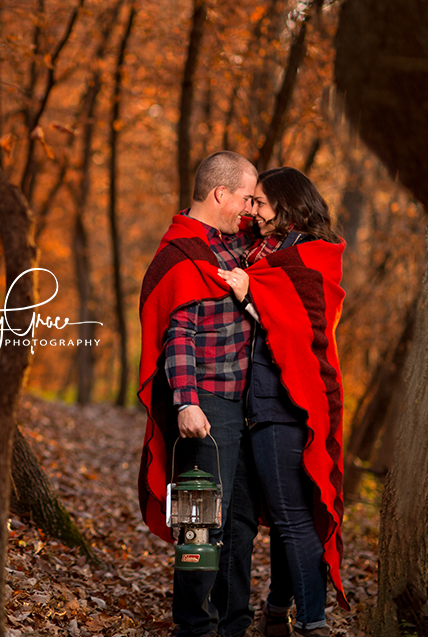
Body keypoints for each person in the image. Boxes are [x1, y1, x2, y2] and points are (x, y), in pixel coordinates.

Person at [218, 167, 350, 636]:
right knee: (281, 512)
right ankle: (276, 610)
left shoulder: (309, 254)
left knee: (293, 518)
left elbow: (300, 328)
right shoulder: (265, 248)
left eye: (260, 202)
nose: (252, 211)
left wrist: (250, 293)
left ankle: (312, 623)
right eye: (249, 201)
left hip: (287, 401)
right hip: (261, 400)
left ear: (288, 205)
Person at [137, 150, 259, 637]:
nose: (250, 209)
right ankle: (194, 627)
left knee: (240, 526)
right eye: (246, 199)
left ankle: (232, 625)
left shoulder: (232, 244)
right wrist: (186, 400)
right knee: (201, 524)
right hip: (204, 411)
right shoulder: (183, 254)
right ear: (219, 194)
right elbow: (177, 334)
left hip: (245, 409)